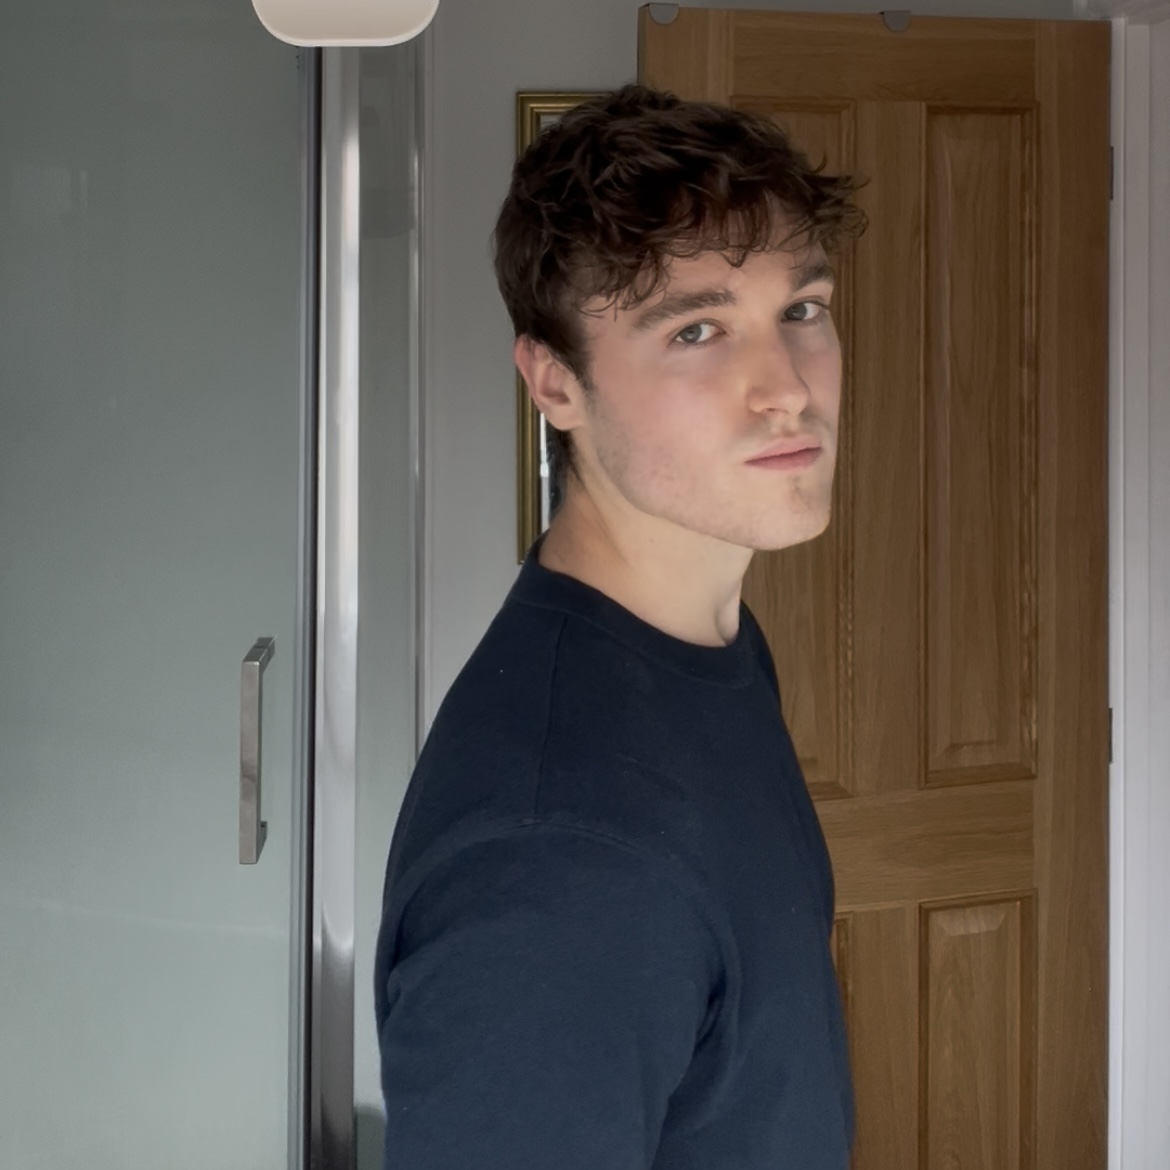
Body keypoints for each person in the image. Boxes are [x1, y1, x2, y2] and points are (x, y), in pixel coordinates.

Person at [374, 84, 866, 1169]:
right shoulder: (556, 863)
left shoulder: (708, 648)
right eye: (697, 330)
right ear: (555, 383)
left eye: (801, 310)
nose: (787, 389)